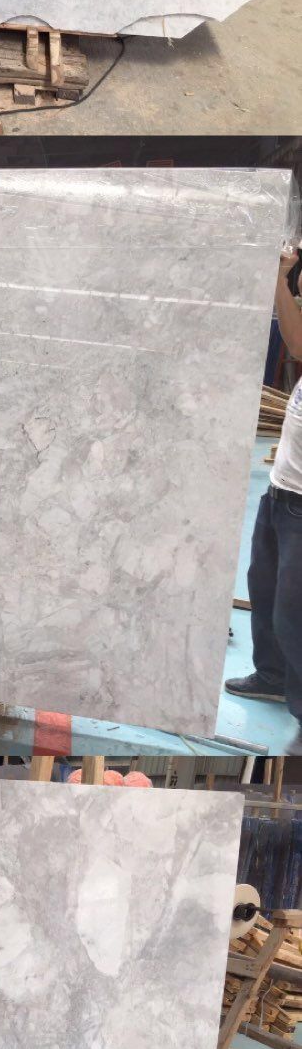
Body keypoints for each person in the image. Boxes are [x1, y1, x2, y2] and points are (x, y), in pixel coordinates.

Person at [228, 163, 302, 732]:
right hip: (281, 486)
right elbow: (296, 342)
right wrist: (279, 274)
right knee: (263, 584)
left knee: (294, 611)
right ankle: (272, 676)